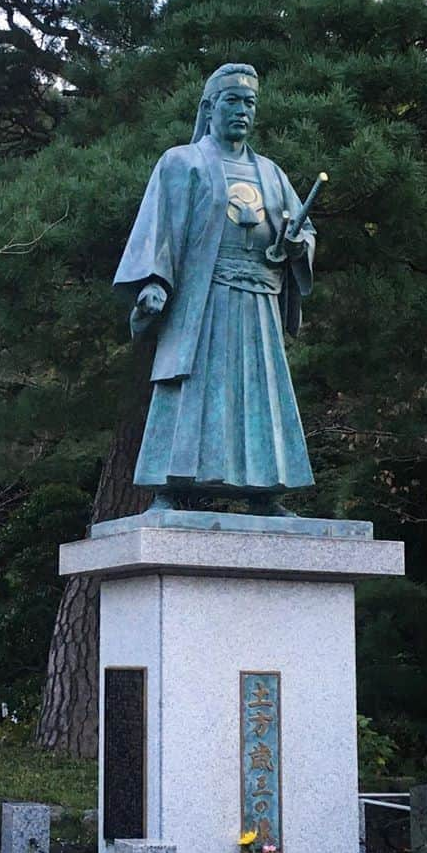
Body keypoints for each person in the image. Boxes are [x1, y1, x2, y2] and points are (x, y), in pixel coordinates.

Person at [114, 63, 315, 515]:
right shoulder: (182, 163)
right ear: (209, 108)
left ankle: (265, 491)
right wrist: (154, 282)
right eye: (233, 101)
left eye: (250, 103)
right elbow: (158, 229)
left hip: (259, 300)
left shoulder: (271, 172)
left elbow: (302, 231)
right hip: (203, 300)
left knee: (260, 392)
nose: (242, 111)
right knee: (189, 388)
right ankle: (167, 488)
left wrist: (299, 243)